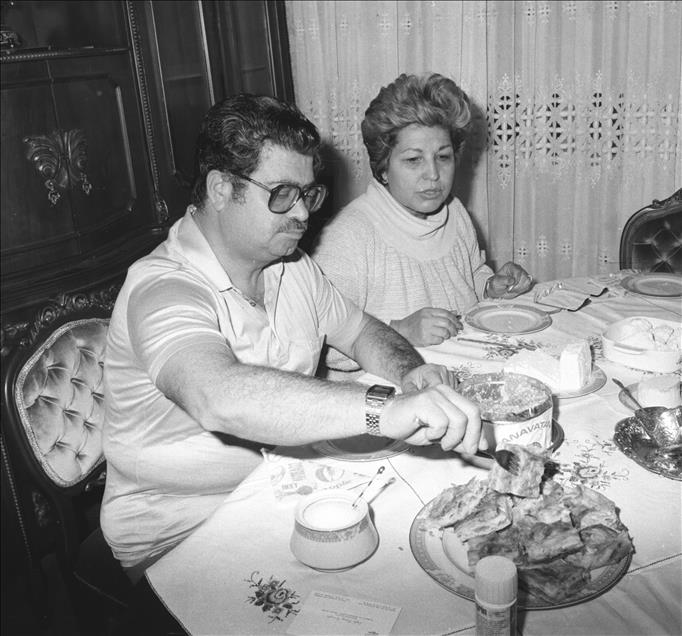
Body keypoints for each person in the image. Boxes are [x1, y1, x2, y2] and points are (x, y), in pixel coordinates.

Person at [100, 93, 483, 583]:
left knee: (437, 544)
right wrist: (384, 409)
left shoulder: (292, 266)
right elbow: (218, 397)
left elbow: (362, 331)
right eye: (283, 193)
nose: (302, 213)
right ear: (221, 188)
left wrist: (412, 374)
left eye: (308, 194)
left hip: (283, 490)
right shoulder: (162, 288)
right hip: (184, 530)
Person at [311, 73, 533, 377]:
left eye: (443, 157)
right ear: (383, 167)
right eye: (414, 160)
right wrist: (399, 330)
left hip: (460, 370)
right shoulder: (349, 235)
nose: (433, 174)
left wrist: (490, 286)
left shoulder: (455, 213)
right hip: (384, 390)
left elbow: (469, 278)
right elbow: (320, 342)